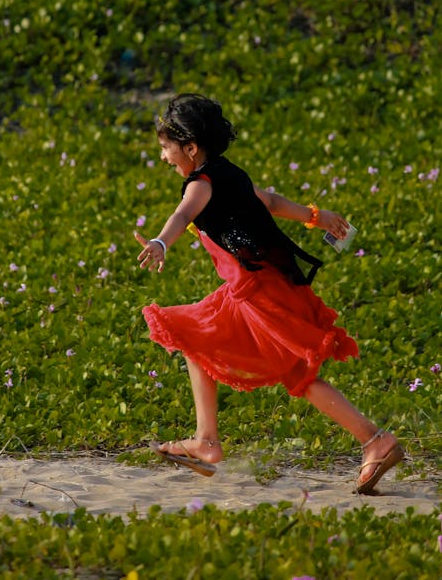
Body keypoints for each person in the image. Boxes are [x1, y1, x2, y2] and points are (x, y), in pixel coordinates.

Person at [134, 93, 404, 492]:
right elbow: (270, 201)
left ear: (190, 148)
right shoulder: (231, 174)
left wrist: (160, 242)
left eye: (165, 148)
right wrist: (316, 217)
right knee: (193, 336)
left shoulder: (200, 185)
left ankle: (375, 440)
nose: (163, 157)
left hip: (259, 293)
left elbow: (182, 215)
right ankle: (206, 440)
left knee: (298, 372)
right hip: (253, 287)